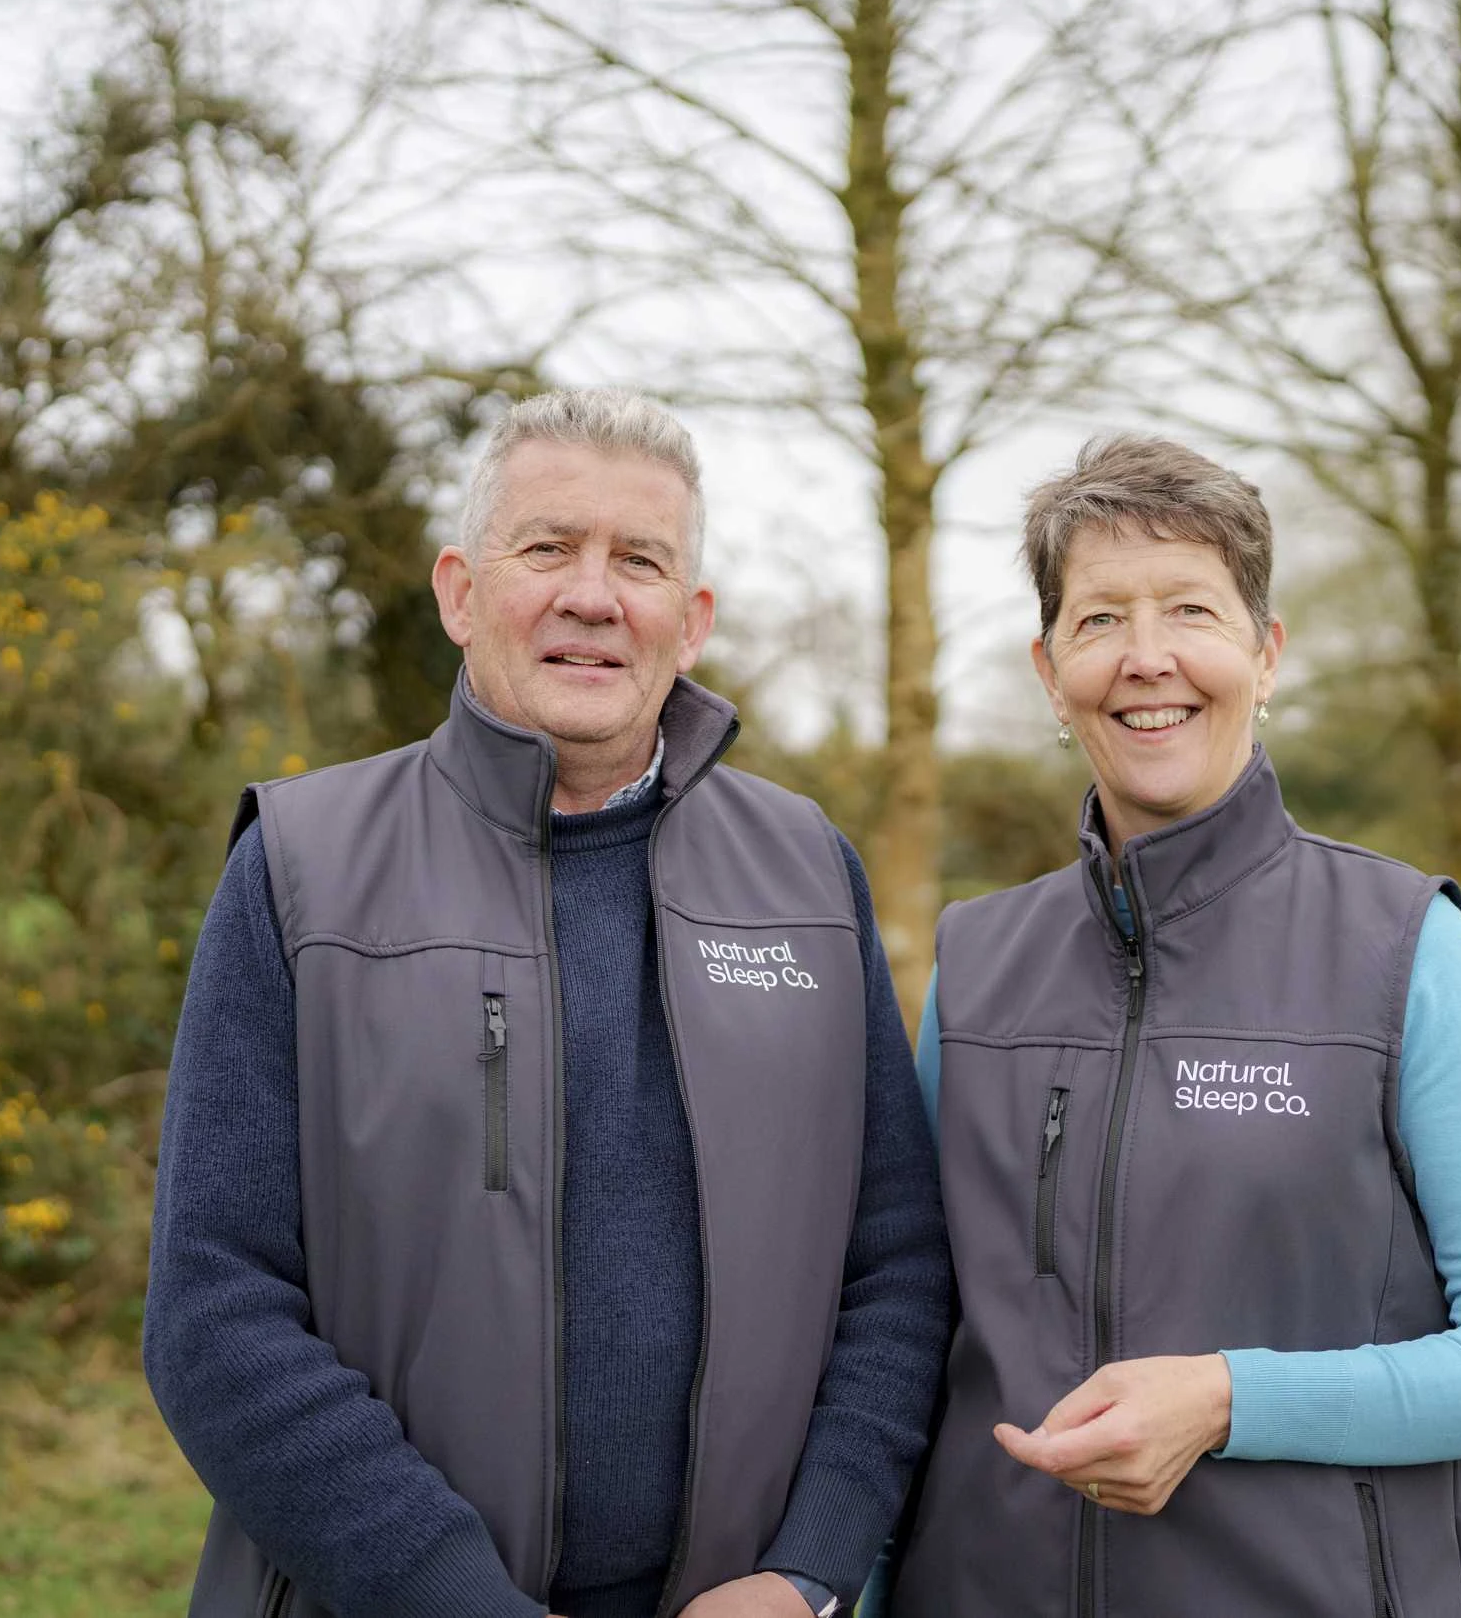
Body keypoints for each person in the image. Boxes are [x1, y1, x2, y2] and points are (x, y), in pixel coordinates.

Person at [144, 389, 953, 1618]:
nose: (593, 593)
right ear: (461, 591)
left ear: (690, 621)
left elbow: (895, 1267)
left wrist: (810, 1570)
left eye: (639, 560)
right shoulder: (302, 866)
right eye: (548, 547)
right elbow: (215, 1307)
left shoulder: (805, 871)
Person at [884, 436, 1461, 1618]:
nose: (1146, 657)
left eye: (1190, 611)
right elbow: (907, 1326)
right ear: (1048, 667)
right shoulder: (975, 962)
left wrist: (1226, 1397)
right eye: (1099, 618)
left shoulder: (1403, 945)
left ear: (1263, 655)